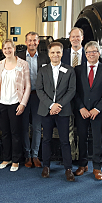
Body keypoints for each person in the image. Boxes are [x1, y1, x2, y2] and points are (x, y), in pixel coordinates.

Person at [36, 42, 76, 181]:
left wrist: (58, 105)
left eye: (58, 52)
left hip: (63, 110)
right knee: (46, 139)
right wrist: (51, 105)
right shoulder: (42, 70)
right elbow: (39, 90)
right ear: (49, 54)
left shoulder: (69, 70)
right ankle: (46, 166)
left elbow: (72, 90)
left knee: (65, 141)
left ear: (62, 53)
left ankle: (68, 168)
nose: (55, 55)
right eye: (53, 52)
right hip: (46, 110)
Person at [73, 41, 102, 180]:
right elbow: (74, 91)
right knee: (82, 138)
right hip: (82, 111)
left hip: (98, 112)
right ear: (85, 54)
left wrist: (97, 109)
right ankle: (82, 165)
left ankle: (97, 167)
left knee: (97, 140)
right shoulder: (77, 70)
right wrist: (81, 107)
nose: (91, 54)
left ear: (99, 53)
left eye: (94, 51)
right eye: (88, 52)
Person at [0, 39, 31, 172]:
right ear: (2, 50)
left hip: (16, 104)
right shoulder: (0, 65)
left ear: (14, 49)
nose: (7, 51)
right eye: (5, 49)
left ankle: (16, 160)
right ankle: (6, 158)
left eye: (10, 48)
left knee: (16, 133)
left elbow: (28, 86)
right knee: (5, 133)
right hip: (2, 104)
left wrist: (23, 103)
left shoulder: (23, 64)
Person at [17, 31, 50, 168]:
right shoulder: (18, 57)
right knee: (24, 127)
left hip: (38, 95)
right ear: (25, 42)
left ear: (38, 42)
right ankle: (27, 156)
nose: (32, 43)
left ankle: (35, 155)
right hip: (22, 96)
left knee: (37, 127)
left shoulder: (44, 57)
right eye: (29, 40)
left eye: (35, 40)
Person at [61, 27, 87, 161]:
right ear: (69, 38)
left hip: (84, 98)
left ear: (82, 38)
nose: (75, 39)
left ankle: (81, 158)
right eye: (73, 37)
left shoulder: (89, 54)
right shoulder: (62, 54)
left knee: (82, 131)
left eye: (78, 36)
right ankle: (71, 156)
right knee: (68, 129)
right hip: (66, 98)